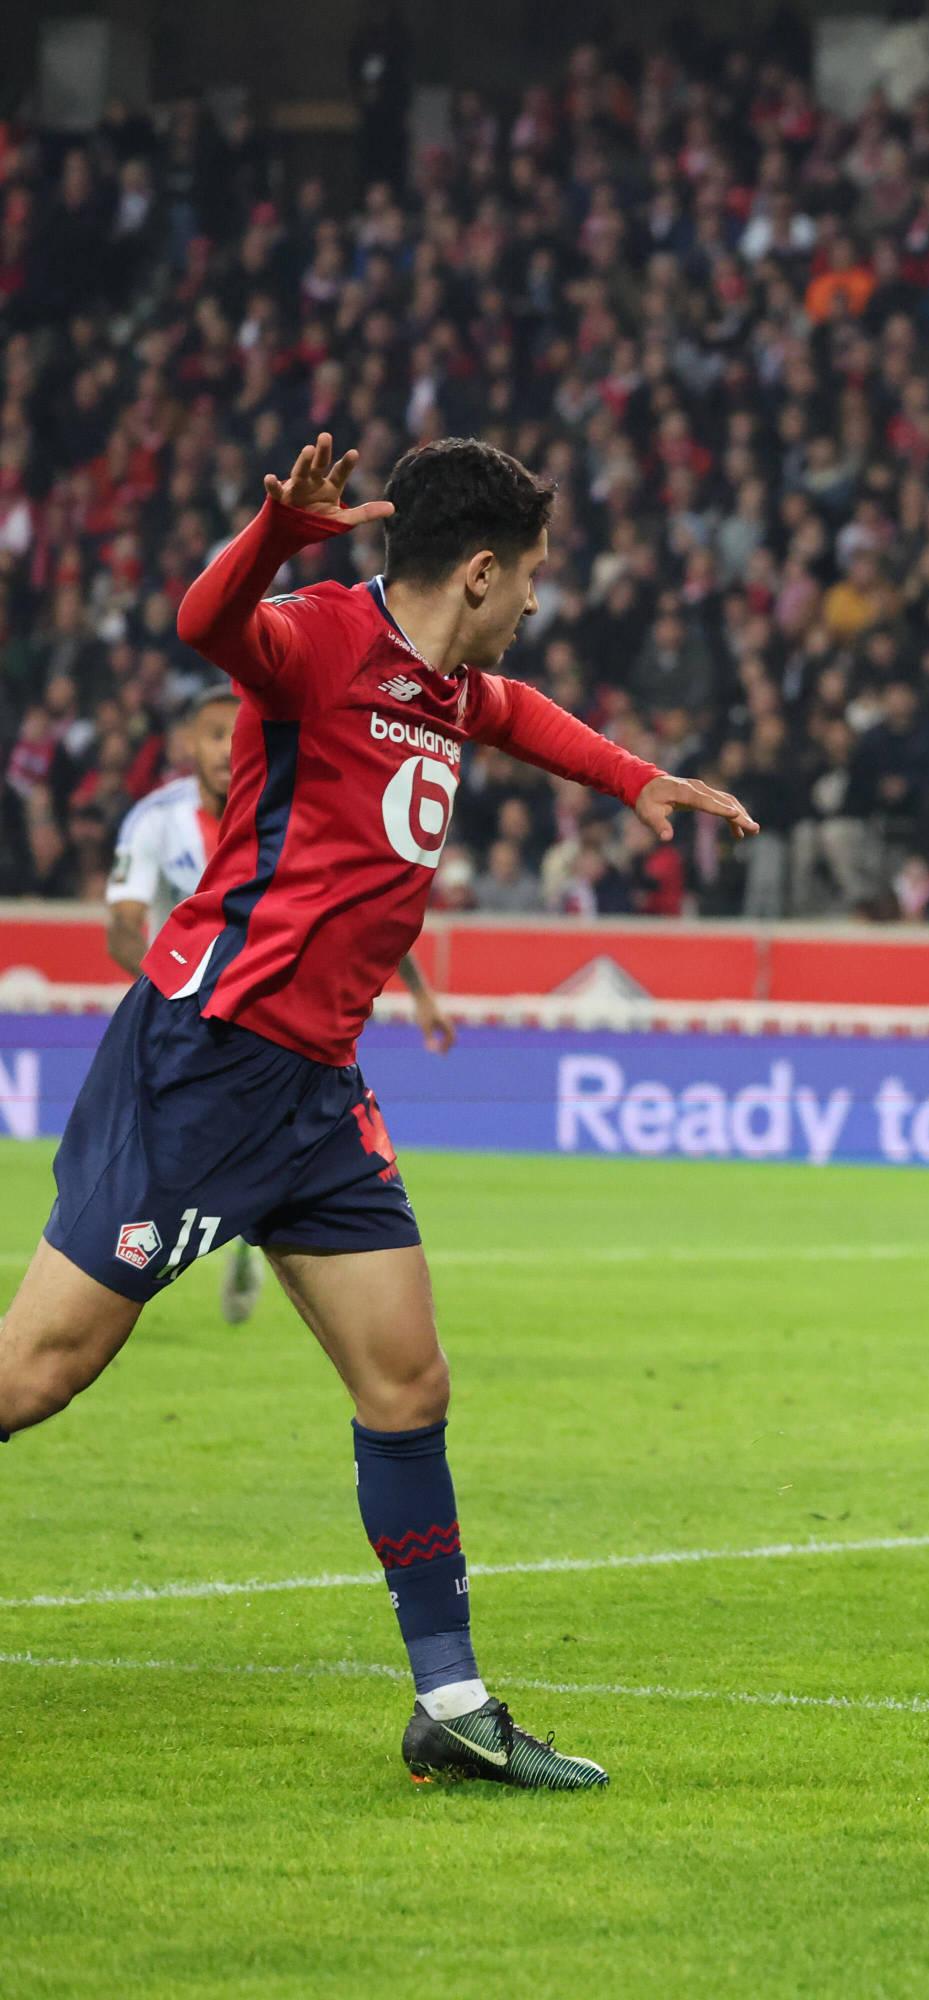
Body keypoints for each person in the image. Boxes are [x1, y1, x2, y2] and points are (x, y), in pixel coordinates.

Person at [0, 434, 758, 1788]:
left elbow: (524, 716)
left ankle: (453, 1709)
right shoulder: (315, 642)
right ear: (479, 570)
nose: (533, 600)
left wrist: (633, 777)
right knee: (37, 1374)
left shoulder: (450, 686)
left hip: (318, 1087)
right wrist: (274, 534)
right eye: (527, 575)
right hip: (207, 1060)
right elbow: (203, 621)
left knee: (407, 1380)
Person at [103, 689, 459, 1329]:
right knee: (151, 1174)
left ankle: (240, 1230)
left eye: (233, 734)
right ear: (189, 744)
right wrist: (183, 984)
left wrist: (422, 993)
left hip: (274, 1031)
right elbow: (122, 931)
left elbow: (359, 903)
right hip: (183, 1021)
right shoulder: (155, 821)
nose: (222, 749)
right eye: (211, 735)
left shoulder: (291, 801)